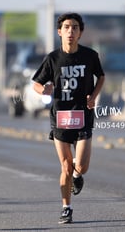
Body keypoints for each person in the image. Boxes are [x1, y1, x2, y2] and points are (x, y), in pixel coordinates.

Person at [32, 12, 105, 224]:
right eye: (66, 27)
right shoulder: (53, 59)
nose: (70, 31)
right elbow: (36, 83)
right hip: (60, 118)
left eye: (74, 27)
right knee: (65, 165)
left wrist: (93, 96)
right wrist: (43, 90)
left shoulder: (90, 56)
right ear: (59, 32)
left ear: (80, 32)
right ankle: (66, 207)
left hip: (83, 115)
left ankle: (76, 176)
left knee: (81, 166)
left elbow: (101, 76)